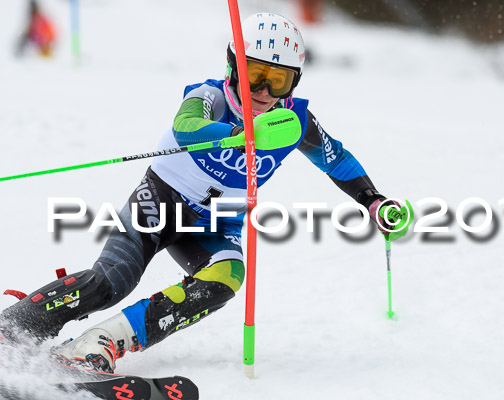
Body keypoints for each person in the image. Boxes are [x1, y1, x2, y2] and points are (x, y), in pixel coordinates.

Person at [0, 13, 411, 373]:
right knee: (111, 282)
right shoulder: (210, 96)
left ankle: (99, 345)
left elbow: (336, 159)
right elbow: (187, 125)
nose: (264, 91)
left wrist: (372, 200)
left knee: (228, 276)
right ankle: (14, 327)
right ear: (234, 66)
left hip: (218, 222)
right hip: (161, 200)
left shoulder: (294, 121)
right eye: (254, 75)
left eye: (278, 79)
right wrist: (238, 135)